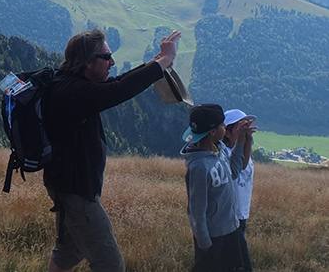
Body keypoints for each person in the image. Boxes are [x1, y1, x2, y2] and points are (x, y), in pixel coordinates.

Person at [43, 28, 181, 272]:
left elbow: (117, 82)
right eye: (106, 57)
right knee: (111, 263)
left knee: (67, 251)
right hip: (77, 193)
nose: (112, 62)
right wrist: (165, 61)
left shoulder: (71, 85)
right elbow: (120, 90)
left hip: (68, 187)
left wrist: (157, 62)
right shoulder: (75, 92)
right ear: (87, 62)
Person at [181, 104, 252, 272]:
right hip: (213, 238)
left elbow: (234, 171)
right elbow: (196, 211)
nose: (225, 127)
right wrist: (205, 244)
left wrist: (241, 141)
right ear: (212, 132)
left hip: (231, 230)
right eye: (222, 125)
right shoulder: (199, 167)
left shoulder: (219, 151)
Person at [222, 109, 257, 272]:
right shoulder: (225, 155)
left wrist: (247, 140)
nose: (244, 129)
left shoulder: (243, 151)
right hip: (231, 216)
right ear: (227, 133)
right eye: (239, 127)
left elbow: (244, 163)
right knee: (242, 265)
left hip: (241, 214)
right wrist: (243, 141)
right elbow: (237, 167)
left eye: (246, 125)